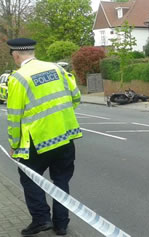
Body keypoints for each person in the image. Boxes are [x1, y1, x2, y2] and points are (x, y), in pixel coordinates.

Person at [6, 38, 82, 236]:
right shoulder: (57, 69)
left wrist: (14, 144)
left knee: (30, 178)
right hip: (65, 136)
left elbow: (14, 116)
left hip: (37, 141)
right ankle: (61, 224)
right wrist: (60, 117)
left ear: (16, 55)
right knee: (61, 180)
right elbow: (76, 97)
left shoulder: (18, 78)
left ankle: (41, 219)